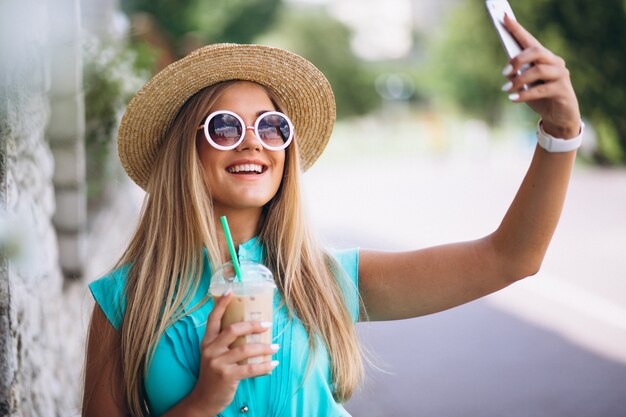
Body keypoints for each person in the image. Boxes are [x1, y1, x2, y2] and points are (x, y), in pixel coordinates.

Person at [82, 15, 582, 417]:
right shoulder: (126, 301)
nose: (254, 140)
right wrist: (203, 403)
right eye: (225, 126)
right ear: (185, 152)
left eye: (273, 126)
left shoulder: (322, 280)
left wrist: (560, 132)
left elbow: (510, 257)